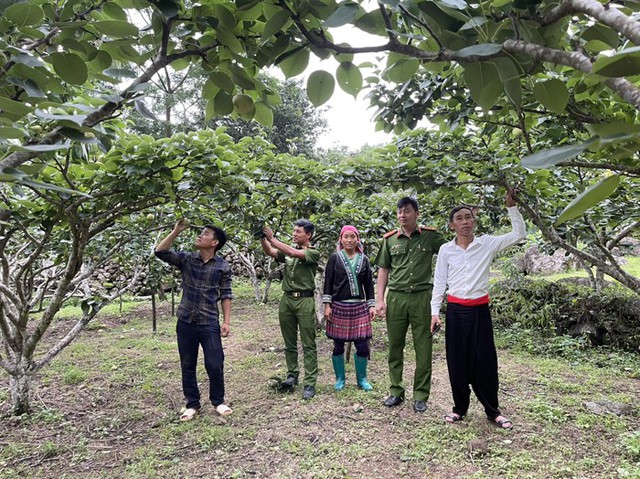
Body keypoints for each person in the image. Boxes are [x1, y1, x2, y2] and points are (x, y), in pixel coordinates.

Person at [430, 188, 526, 429]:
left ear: (474, 221)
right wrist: (434, 312)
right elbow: (440, 282)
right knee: (457, 361)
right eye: (459, 218)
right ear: (452, 225)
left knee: (485, 361)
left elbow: (519, 234)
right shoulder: (445, 250)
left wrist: (511, 207)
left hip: (480, 312)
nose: (465, 222)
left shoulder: (487, 244)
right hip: (455, 312)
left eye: (468, 217)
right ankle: (459, 408)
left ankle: (493, 410)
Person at [155, 219, 233, 421]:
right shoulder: (187, 259)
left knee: (215, 363)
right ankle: (192, 404)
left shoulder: (223, 266)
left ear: (215, 243)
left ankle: (218, 401)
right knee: (187, 363)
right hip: (186, 320)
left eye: (206, 234)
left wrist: (226, 321)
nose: (200, 236)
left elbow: (226, 294)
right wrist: (175, 231)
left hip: (208, 321)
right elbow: (160, 252)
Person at [374, 197, 447, 413]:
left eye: (406, 211)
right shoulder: (389, 240)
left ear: (417, 213)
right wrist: (380, 299)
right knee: (395, 346)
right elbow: (383, 270)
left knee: (423, 347)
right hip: (396, 298)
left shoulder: (431, 237)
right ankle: (396, 391)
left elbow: (451, 254)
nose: (401, 216)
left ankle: (420, 395)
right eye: (399, 212)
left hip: (422, 298)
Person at [261, 219, 321, 400]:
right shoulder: (286, 252)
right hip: (287, 299)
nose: (294, 234)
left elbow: (293, 252)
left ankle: (310, 382)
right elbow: (271, 252)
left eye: (298, 232)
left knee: (308, 342)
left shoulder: (313, 252)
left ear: (308, 235)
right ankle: (292, 375)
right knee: (289, 342)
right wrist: (263, 238)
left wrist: (272, 238)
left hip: (304, 300)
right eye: (293, 231)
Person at [322, 225, 376, 391]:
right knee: (338, 344)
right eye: (346, 237)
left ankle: (362, 379)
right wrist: (327, 305)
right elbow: (328, 282)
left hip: (359, 307)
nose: (349, 240)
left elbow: (368, 284)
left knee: (362, 344)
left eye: (353, 237)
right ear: (341, 239)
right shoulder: (334, 258)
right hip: (339, 306)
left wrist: (371, 305)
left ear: (357, 239)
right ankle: (340, 379)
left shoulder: (364, 259)